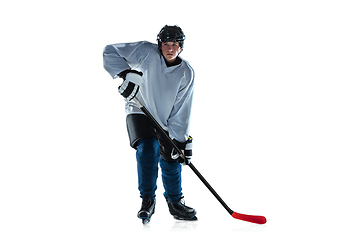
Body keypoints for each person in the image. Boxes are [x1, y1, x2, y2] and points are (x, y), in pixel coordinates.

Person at [103, 25, 196, 224]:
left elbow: (182, 108)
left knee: (171, 157)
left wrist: (180, 142)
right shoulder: (146, 52)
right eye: (165, 44)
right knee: (147, 148)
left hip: (165, 119)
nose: (170, 48)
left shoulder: (186, 72)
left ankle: (175, 202)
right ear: (159, 44)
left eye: (174, 44)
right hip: (138, 108)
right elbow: (110, 51)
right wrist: (126, 74)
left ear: (181, 47)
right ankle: (147, 200)